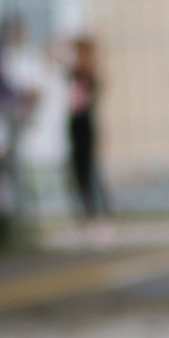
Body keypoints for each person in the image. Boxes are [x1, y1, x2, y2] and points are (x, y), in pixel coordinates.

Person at [64, 37, 111, 244]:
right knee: (78, 173)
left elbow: (83, 105)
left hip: (84, 127)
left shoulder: (88, 77)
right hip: (76, 127)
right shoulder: (73, 76)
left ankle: (98, 216)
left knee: (89, 172)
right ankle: (85, 217)